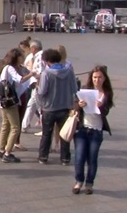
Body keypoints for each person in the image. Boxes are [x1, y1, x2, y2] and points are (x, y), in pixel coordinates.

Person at [72, 65, 114, 195]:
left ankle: (89, 184)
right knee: (79, 157)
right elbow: (74, 104)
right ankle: (79, 181)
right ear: (91, 78)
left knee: (92, 158)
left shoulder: (106, 94)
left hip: (96, 130)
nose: (97, 80)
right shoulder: (85, 90)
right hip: (82, 129)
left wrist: (101, 107)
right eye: (95, 77)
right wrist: (79, 105)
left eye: (100, 77)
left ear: (104, 78)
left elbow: (106, 111)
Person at [0, 49, 37, 163]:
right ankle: (7, 153)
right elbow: (20, 79)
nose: (23, 58)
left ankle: (2, 150)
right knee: (15, 127)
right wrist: (31, 74)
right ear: (16, 57)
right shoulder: (10, 68)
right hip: (10, 101)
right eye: (21, 56)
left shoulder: (4, 67)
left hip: (3, 100)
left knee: (5, 125)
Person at [36, 48, 78, 165]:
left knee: (46, 134)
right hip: (65, 107)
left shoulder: (46, 73)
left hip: (49, 108)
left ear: (47, 61)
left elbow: (42, 91)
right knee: (65, 133)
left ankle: (43, 156)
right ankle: (65, 158)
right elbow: (75, 88)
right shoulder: (69, 71)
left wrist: (37, 89)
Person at [22, 39, 45, 133]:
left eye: (31, 48)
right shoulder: (38, 56)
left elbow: (41, 71)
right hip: (37, 84)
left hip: (38, 85)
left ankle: (44, 127)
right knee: (32, 104)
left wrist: (37, 83)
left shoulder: (40, 57)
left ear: (34, 48)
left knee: (39, 106)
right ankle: (25, 125)